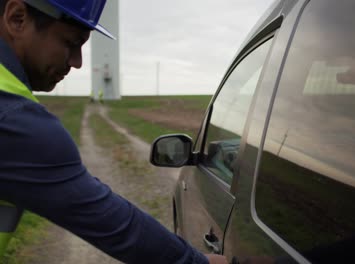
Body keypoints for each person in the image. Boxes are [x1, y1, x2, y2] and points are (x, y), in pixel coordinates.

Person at [0, 0, 227, 263]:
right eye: (71, 43)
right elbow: (114, 224)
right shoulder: (15, 120)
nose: (77, 63)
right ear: (17, 19)